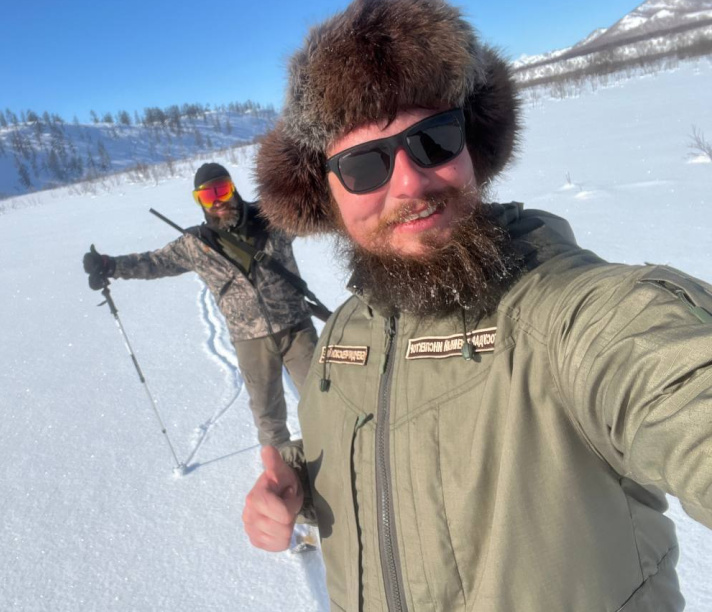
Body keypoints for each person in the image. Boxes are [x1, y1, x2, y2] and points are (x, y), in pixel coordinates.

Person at [241, 1, 712, 610]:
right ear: (326, 195)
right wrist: (299, 484)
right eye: (363, 165)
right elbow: (382, 435)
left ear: (470, 146)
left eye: (433, 138)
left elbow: (667, 374)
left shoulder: (564, 316)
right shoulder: (342, 339)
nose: (411, 182)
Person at [83, 163, 319, 450]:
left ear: (233, 187)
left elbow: (310, 214)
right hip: (250, 340)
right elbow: (155, 262)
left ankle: (334, 457)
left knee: (321, 397)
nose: (218, 200)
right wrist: (110, 265)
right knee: (268, 416)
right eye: (208, 196)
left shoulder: (271, 218)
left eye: (222, 189)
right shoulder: (196, 244)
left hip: (297, 328)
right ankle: (284, 473)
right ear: (199, 201)